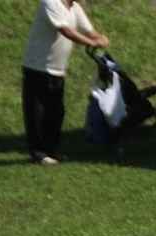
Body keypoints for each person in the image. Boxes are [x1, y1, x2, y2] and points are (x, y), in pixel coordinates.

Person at [21, 0, 108, 164]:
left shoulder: (74, 8)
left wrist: (100, 38)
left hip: (57, 70)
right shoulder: (50, 3)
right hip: (37, 67)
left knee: (56, 112)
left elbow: (89, 31)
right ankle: (38, 154)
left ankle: (51, 151)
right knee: (37, 112)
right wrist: (92, 43)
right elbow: (65, 31)